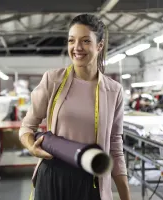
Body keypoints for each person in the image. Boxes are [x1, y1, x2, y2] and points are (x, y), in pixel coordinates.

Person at [19, 14, 131, 200]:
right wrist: (32, 147)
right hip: (53, 177)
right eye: (72, 41)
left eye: (86, 41)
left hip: (92, 182)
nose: (77, 47)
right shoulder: (53, 80)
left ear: (99, 45)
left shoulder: (113, 90)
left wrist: (125, 196)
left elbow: (115, 147)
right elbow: (27, 127)